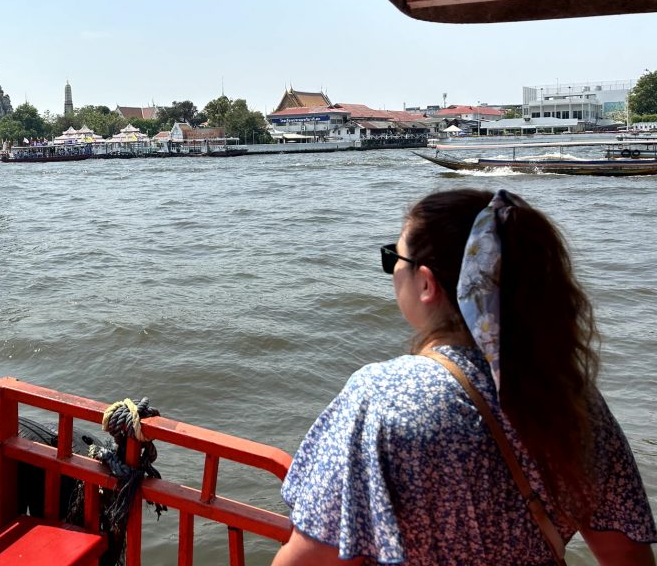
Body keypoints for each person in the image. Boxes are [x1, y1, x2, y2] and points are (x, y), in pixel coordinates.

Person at [273, 189, 656, 565]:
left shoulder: (381, 396)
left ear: (426, 282)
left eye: (393, 257)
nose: (391, 270)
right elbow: (627, 555)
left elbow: (309, 559)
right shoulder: (572, 396)